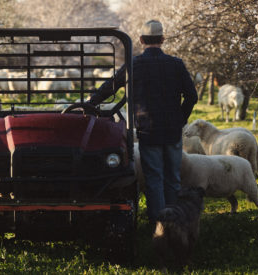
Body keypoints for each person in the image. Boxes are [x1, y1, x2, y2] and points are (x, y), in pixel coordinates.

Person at [88, 20, 198, 231]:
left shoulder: (133, 65)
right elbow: (191, 96)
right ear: (163, 39)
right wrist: (180, 119)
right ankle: (175, 222)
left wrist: (89, 103)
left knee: (154, 178)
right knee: (173, 177)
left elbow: (109, 87)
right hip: (172, 131)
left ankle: (158, 225)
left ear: (140, 40)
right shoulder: (176, 64)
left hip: (148, 130)